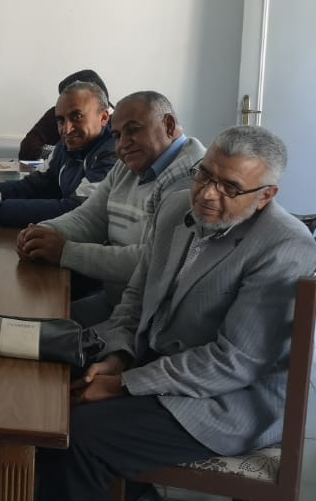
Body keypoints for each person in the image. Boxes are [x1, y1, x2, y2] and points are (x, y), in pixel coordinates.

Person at [34, 126, 316, 501]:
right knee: (42, 380)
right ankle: (113, 497)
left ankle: (128, 500)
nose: (207, 194)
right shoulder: (174, 208)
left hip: (228, 400)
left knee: (77, 435)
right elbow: (135, 297)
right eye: (205, 174)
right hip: (159, 361)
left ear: (266, 195)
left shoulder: (284, 246)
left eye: (230, 188)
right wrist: (118, 357)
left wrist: (121, 384)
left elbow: (233, 363)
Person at [15, 92, 206, 326]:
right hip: (117, 303)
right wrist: (42, 233)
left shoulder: (194, 180)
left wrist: (65, 252)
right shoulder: (131, 162)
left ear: (168, 125)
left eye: (133, 130)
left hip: (152, 322)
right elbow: (89, 218)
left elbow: (152, 261)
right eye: (116, 136)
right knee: (26, 325)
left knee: (32, 334)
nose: (123, 144)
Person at [0, 81, 117, 227]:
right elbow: (32, 186)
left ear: (103, 118)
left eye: (77, 116)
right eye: (60, 120)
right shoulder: (66, 146)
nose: (67, 129)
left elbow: (77, 210)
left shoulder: (112, 154)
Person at [18, 69, 109, 160]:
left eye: (77, 116)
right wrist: (59, 154)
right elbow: (27, 147)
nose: (67, 129)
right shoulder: (58, 112)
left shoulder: (114, 126)